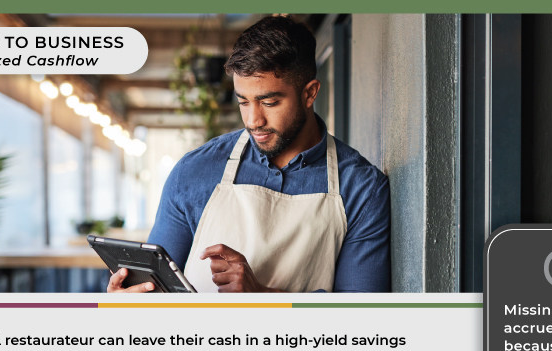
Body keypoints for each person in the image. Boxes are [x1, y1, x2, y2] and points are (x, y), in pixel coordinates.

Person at [107, 15, 389, 293]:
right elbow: (154, 294)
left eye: (269, 102)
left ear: (310, 93)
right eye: (243, 102)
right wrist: (128, 301)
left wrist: (261, 297)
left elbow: (360, 314)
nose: (254, 120)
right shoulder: (193, 171)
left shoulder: (361, 189)